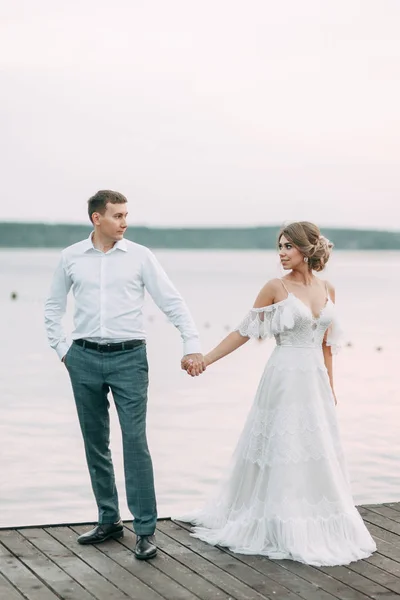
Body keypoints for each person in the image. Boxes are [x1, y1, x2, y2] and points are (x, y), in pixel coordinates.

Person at [180, 221, 376, 566]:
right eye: (280, 247)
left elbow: (328, 345)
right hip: (283, 377)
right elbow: (244, 331)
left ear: (307, 249)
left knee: (316, 450)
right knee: (283, 447)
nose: (282, 254)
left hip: (314, 380)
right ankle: (278, 521)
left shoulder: (328, 287)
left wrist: (331, 386)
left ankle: (315, 520)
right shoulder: (275, 287)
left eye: (288, 247)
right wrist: (206, 359)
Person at [44, 190, 205, 560]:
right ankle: (108, 520)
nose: (124, 222)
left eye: (126, 214)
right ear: (96, 218)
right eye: (117, 215)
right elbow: (53, 306)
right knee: (95, 441)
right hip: (82, 358)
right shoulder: (70, 257)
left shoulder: (140, 257)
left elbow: (172, 301)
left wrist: (191, 343)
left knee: (135, 443)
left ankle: (145, 530)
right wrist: (63, 350)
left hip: (130, 358)